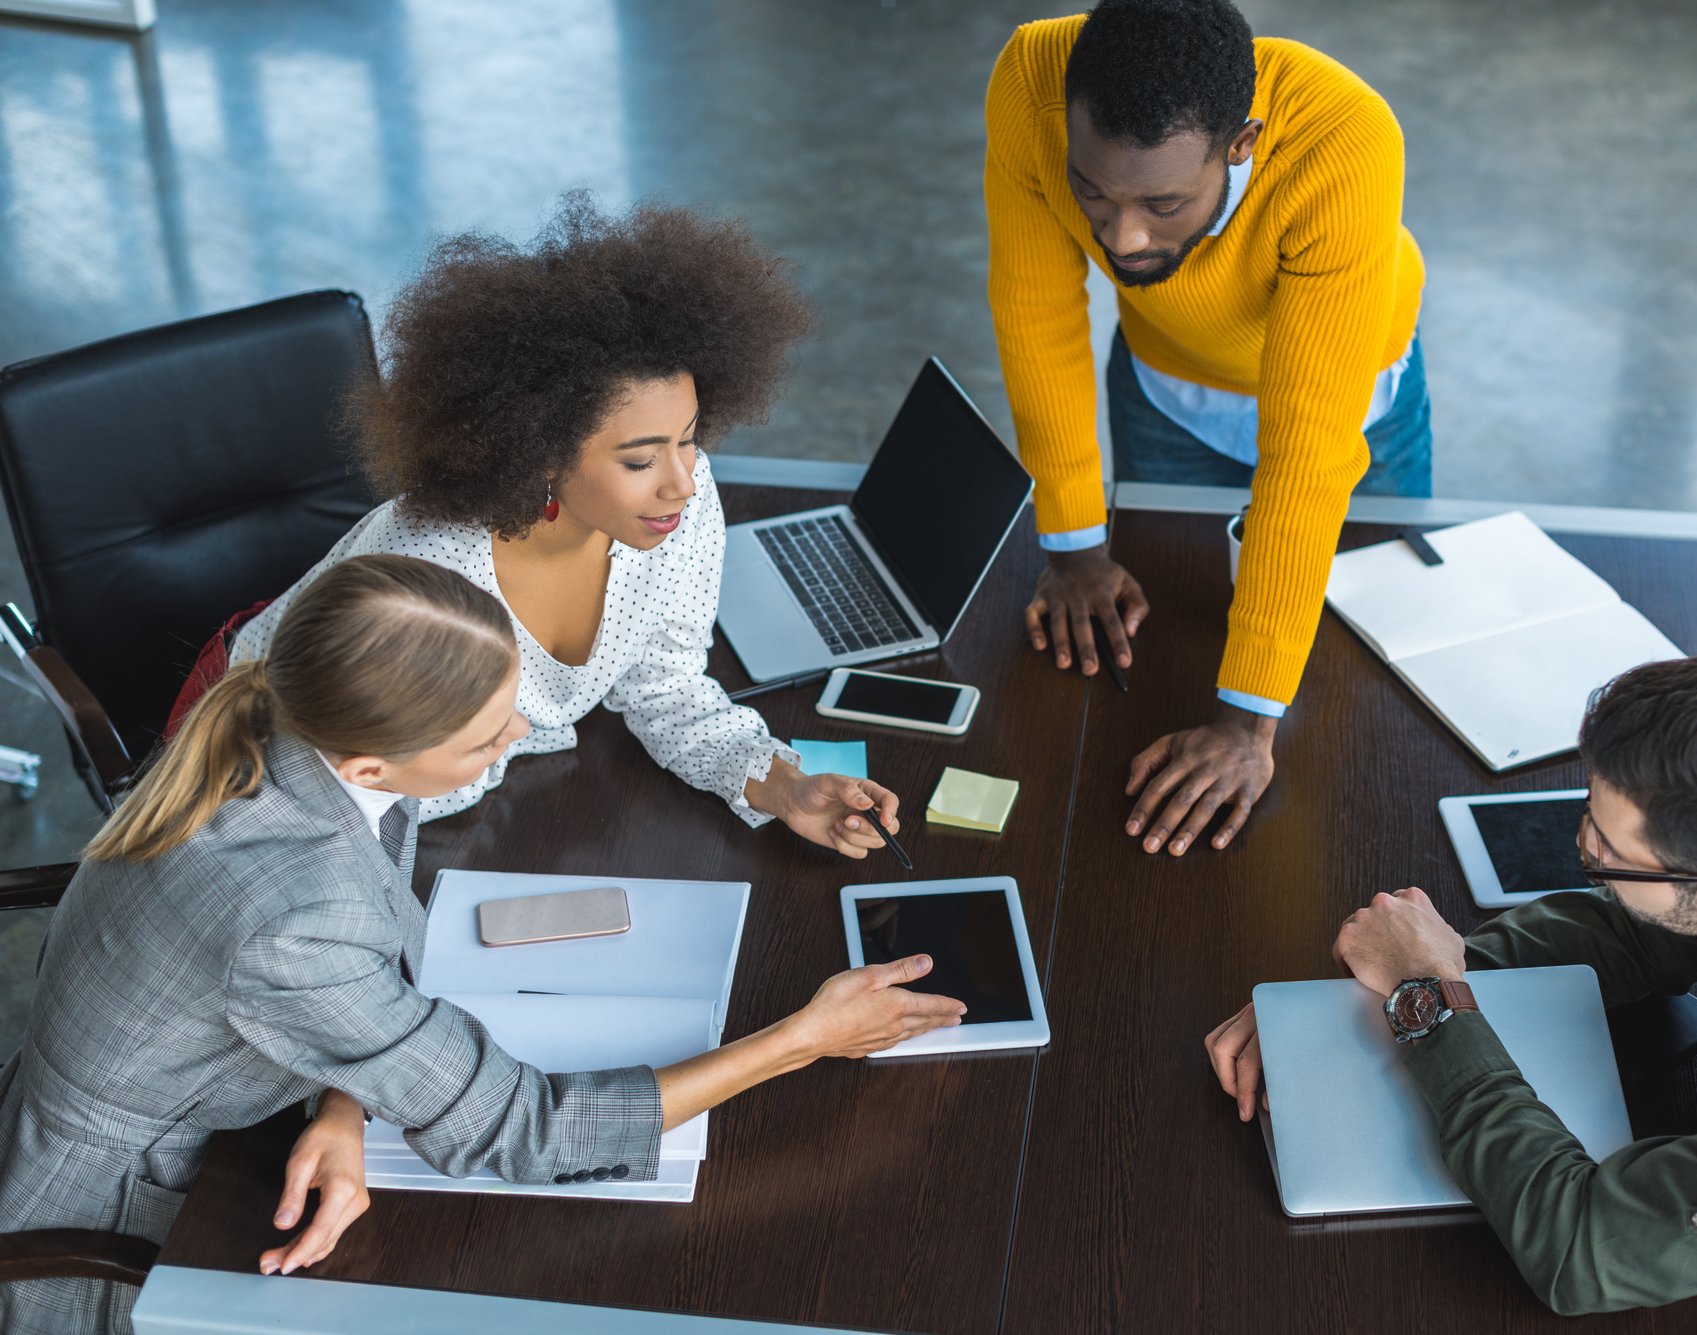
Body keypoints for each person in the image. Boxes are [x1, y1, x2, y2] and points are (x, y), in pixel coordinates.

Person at [0, 556, 965, 1335]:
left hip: (225, 1099)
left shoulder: (291, 727)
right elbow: (524, 1129)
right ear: (373, 762)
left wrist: (344, 1098)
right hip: (121, 1218)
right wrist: (808, 1036)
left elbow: (351, 945)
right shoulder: (294, 910)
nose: (517, 736)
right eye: (480, 739)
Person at [1204, 656, 1697, 1334]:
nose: (1582, 845)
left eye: (1608, 853)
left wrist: (1429, 999)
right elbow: (1639, 929)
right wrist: (1403, 974)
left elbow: (1580, 1246)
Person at [215, 194, 891, 855]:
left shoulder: (678, 501)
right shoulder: (425, 572)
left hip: (499, 803)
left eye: (688, 439)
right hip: (298, 804)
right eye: (638, 458)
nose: (682, 480)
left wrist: (783, 786)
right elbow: (326, 783)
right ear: (540, 450)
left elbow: (664, 686)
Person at [985, 0, 1428, 857]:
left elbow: (1306, 451)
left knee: (1357, 685)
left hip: (1347, 400)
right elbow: (1035, 311)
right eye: (1092, 191)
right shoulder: (1033, 80)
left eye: (1164, 201)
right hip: (1168, 390)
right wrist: (1074, 546)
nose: (1123, 237)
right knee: (1160, 651)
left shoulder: (1346, 137)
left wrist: (1246, 726)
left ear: (1242, 143)